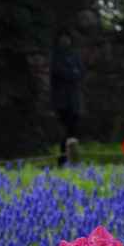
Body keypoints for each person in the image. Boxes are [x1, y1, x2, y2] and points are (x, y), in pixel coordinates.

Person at [50, 28, 84, 165]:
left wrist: (73, 73)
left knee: (73, 130)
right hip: (62, 101)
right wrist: (72, 73)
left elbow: (81, 72)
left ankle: (70, 159)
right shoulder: (56, 56)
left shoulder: (75, 55)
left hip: (74, 100)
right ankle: (63, 158)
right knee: (66, 130)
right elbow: (61, 73)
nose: (65, 40)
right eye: (62, 37)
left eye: (67, 37)